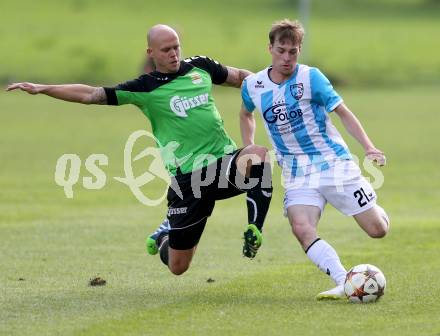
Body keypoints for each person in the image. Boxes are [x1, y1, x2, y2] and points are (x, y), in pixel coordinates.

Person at [7, 24, 273, 276]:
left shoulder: (200, 67)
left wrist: (272, 84)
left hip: (222, 161)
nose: (173, 53)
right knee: (178, 266)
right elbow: (91, 95)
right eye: (166, 49)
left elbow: (240, 77)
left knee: (258, 155)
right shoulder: (144, 87)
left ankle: (254, 231)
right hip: (190, 180)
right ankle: (165, 235)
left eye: (176, 47)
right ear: (151, 53)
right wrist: (44, 88)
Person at [240, 19, 390, 299]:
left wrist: (369, 147)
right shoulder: (254, 85)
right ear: (270, 48)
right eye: (281, 50)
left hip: (333, 164)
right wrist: (248, 145)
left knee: (377, 230)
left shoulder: (311, 78)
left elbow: (342, 112)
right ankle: (344, 279)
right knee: (301, 227)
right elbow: (245, 113)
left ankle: (377, 210)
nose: (287, 58)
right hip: (297, 173)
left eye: (293, 52)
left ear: (299, 50)